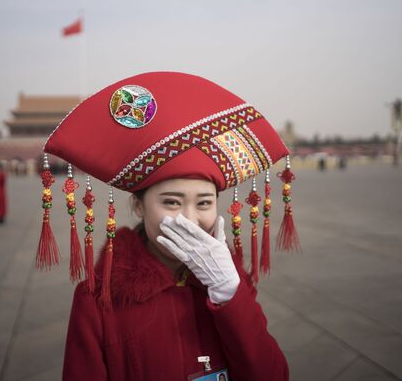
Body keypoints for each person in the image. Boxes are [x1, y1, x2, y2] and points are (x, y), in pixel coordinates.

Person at [39, 72, 295, 380]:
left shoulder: (230, 282)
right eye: (172, 203)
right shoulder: (98, 299)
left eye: (203, 203)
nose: (189, 219)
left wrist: (230, 295)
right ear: (138, 206)